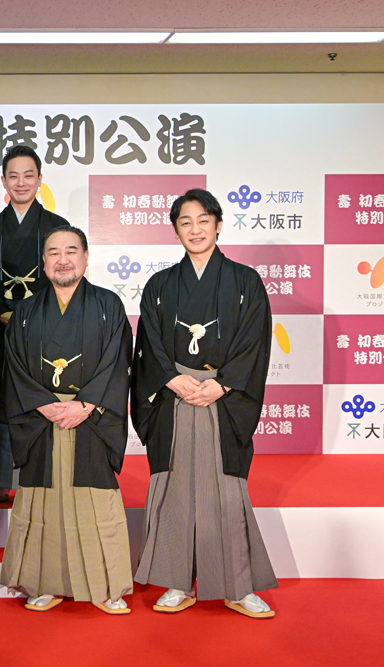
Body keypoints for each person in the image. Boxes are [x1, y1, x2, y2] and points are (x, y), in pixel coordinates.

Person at [132, 188, 277, 619]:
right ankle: (177, 581)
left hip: (222, 399)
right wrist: (173, 378)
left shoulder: (245, 281)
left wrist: (223, 384)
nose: (195, 230)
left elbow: (254, 341)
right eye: (185, 222)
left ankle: (237, 585)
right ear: (175, 230)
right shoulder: (160, 285)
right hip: (175, 398)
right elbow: (149, 343)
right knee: (174, 489)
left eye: (203, 221)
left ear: (218, 225)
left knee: (226, 493)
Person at [0, 226, 133, 614]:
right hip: (42, 418)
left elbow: (117, 360)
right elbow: (14, 366)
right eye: (54, 253)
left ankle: (105, 585)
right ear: (43, 262)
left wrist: (86, 404)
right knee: (43, 503)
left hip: (90, 416)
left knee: (96, 502)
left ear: (86, 257)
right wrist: (42, 404)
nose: (63, 260)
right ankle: (44, 582)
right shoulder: (26, 312)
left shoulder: (108, 305)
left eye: (71, 251)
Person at [0, 146, 68, 505]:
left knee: (41, 400)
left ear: (40, 179)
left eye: (29, 175)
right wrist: (0, 312)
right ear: (3, 181)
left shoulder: (58, 228)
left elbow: (66, 279)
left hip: (45, 331)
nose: (21, 182)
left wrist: (30, 317)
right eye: (14, 175)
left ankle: (38, 480)